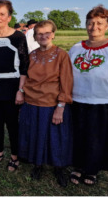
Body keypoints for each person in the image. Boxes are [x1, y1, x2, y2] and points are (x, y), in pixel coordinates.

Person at [68, 5, 108, 187]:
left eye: (99, 23)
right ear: (85, 24)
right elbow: (65, 74)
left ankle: (92, 169)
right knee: (79, 136)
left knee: (98, 138)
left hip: (104, 103)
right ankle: (78, 166)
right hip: (78, 102)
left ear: (107, 25)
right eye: (90, 23)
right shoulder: (76, 49)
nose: (94, 27)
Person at [18, 19, 72, 186]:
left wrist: (60, 107)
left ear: (53, 34)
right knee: (36, 136)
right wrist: (21, 92)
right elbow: (25, 77)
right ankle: (38, 164)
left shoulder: (61, 55)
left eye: (47, 33)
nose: (43, 36)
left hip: (52, 105)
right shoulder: (31, 56)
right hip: (32, 103)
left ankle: (58, 168)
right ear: (34, 36)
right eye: (39, 34)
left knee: (55, 139)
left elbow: (66, 82)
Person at [0, 0, 29, 173]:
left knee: (12, 124)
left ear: (9, 17)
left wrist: (21, 90)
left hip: (12, 87)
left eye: (2, 14)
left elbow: (25, 66)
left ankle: (15, 156)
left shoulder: (19, 37)